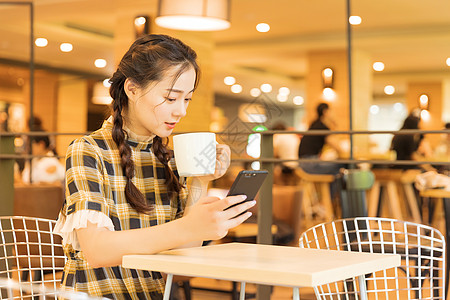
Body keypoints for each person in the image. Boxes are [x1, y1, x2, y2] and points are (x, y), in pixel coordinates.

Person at [54, 34, 255, 299]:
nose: (181, 111)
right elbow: (97, 251)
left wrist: (200, 181)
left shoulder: (169, 159)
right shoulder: (88, 150)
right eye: (171, 98)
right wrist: (188, 227)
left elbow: (182, 271)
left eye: (187, 99)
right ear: (132, 88)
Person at [298, 102, 343, 175]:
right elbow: (337, 147)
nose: (333, 114)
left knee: (337, 168)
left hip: (304, 163)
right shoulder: (321, 127)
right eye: (331, 111)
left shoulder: (315, 124)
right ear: (325, 112)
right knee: (342, 165)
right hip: (310, 164)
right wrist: (335, 124)